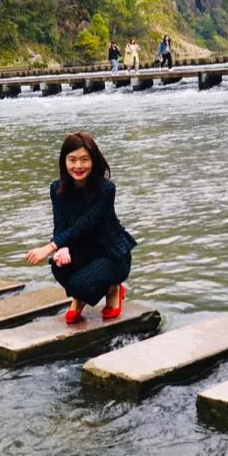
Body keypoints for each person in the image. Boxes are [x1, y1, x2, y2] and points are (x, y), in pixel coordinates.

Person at [25, 132, 136, 324]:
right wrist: (62, 248)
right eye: (72, 160)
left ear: (93, 161)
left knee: (80, 285)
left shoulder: (106, 189)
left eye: (84, 159)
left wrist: (51, 246)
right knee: (59, 267)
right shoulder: (56, 188)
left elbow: (86, 223)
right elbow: (60, 224)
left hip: (110, 254)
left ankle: (113, 288)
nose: (78, 166)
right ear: (64, 161)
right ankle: (80, 295)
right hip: (82, 252)